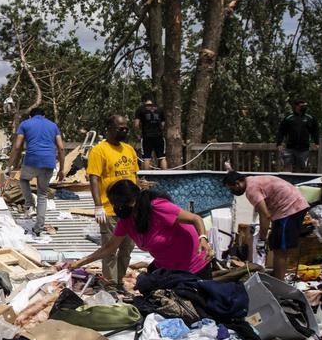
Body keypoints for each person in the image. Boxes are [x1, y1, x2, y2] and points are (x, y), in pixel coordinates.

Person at [65, 180, 214, 278]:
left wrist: (203, 238)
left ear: (130, 201)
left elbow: (195, 219)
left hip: (193, 265)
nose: (116, 209)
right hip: (167, 267)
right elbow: (109, 248)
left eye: (117, 204)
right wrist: (80, 262)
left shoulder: (157, 207)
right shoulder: (126, 221)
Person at [222, 171, 310, 279]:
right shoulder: (251, 181)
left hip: (290, 208)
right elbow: (265, 213)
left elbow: (265, 215)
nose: (232, 192)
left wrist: (262, 240)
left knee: (280, 250)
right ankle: (278, 278)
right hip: (288, 208)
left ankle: (279, 283)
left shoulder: (251, 190)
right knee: (277, 246)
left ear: (237, 183)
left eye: (231, 189)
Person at [87, 114, 140, 284]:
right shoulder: (99, 150)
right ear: (110, 129)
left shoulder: (129, 149)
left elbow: (134, 176)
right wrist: (98, 206)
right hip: (110, 210)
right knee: (110, 250)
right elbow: (94, 178)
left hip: (130, 210)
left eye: (126, 128)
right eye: (120, 128)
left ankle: (120, 281)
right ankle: (110, 283)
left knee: (127, 249)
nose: (124, 131)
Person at [6, 107, 65, 236]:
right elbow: (61, 148)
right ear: (44, 116)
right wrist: (62, 169)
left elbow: (17, 147)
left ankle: (29, 204)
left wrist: (9, 165)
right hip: (49, 162)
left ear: (30, 116)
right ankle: (38, 228)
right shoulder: (53, 126)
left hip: (31, 160)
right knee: (42, 194)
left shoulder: (25, 124)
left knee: (23, 179)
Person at [277, 99, 318, 173]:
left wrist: (316, 142)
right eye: (302, 106)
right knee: (286, 166)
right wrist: (279, 143)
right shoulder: (289, 118)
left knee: (302, 168)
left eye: (305, 106)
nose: (304, 107)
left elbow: (315, 131)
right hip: (290, 148)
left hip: (304, 148)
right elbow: (281, 131)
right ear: (296, 106)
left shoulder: (310, 118)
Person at [133, 96, 167, 170]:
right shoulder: (160, 108)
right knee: (162, 157)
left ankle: (146, 178)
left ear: (143, 101)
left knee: (146, 158)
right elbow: (163, 124)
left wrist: (137, 134)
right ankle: (166, 179)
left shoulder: (140, 109)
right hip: (159, 135)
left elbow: (136, 124)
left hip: (146, 136)